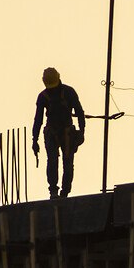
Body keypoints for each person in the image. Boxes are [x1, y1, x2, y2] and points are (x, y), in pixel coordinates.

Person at [32, 67, 85, 199]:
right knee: (55, 162)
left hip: (66, 133)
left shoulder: (68, 92)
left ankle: (63, 193)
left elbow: (79, 112)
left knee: (64, 163)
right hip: (53, 133)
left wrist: (82, 132)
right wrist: (34, 139)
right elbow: (38, 119)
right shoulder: (44, 96)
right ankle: (55, 192)